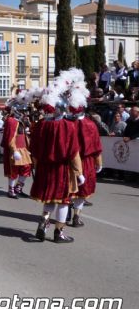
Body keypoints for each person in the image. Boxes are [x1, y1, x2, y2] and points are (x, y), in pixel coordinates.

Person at [30, 70, 85, 243]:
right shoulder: (68, 126)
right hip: (61, 169)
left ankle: (43, 224)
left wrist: (37, 166)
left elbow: (35, 149)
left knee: (49, 199)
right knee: (63, 201)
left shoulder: (41, 126)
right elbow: (73, 152)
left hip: (45, 167)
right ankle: (59, 233)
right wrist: (79, 172)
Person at [67, 82, 102, 228]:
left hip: (69, 161)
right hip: (86, 161)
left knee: (69, 188)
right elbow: (96, 147)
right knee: (82, 192)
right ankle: (76, 217)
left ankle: (65, 215)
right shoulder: (90, 124)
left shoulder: (65, 123)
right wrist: (99, 163)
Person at [1, 96, 32, 199]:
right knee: (13, 170)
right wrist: (14, 150)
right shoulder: (11, 121)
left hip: (23, 148)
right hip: (15, 149)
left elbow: (22, 133)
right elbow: (10, 137)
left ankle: (18, 187)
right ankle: (11, 190)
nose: (23, 112)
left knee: (26, 168)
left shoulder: (21, 120)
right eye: (21, 110)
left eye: (24, 110)